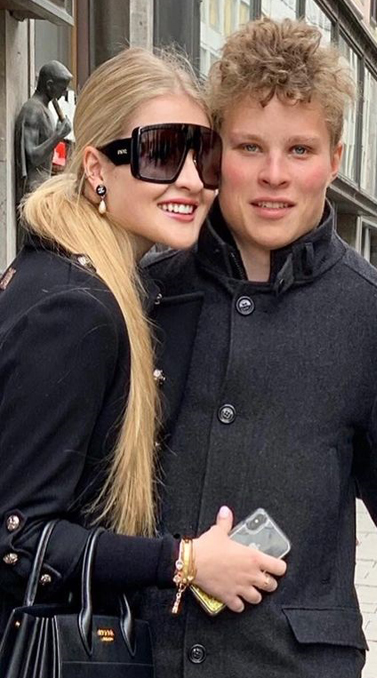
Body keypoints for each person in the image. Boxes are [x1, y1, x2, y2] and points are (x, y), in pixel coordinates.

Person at [141, 19, 377, 678]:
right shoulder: (148, 293)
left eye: (299, 150)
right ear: (215, 152)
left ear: (335, 159)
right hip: (144, 655)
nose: (273, 175)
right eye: (249, 147)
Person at [0, 48, 285, 632]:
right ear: (96, 167)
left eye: (203, 155)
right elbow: (17, 540)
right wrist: (184, 562)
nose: (191, 180)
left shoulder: (73, 276)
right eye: (161, 153)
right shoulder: (77, 309)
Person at [14, 60, 74, 248]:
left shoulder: (45, 110)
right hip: (34, 186)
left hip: (44, 183)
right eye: (62, 87)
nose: (64, 92)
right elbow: (32, 156)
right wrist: (58, 136)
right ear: (49, 85)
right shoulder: (32, 110)